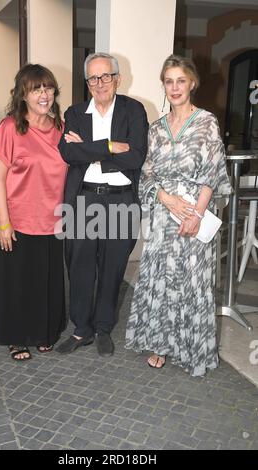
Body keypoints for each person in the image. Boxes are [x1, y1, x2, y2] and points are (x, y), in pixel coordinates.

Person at [125, 54, 232, 377]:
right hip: (162, 214)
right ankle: (160, 343)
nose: (174, 88)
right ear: (164, 85)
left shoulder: (206, 122)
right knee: (160, 277)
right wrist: (165, 198)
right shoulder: (156, 129)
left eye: (180, 81)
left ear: (192, 83)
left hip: (194, 212)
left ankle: (190, 347)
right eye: (169, 81)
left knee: (191, 281)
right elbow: (146, 174)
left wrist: (196, 214)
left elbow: (212, 173)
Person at [57, 52, 148, 357]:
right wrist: (110, 147)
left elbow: (136, 156)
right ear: (87, 83)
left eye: (106, 76)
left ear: (117, 79)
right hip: (83, 199)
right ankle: (81, 329)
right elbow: (67, 154)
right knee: (79, 267)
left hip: (120, 201)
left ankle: (104, 327)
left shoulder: (133, 110)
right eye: (93, 78)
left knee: (113, 268)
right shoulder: (74, 113)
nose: (100, 83)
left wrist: (88, 150)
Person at [0, 64, 68, 361]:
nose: (43, 94)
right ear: (23, 95)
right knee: (18, 283)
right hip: (19, 220)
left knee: (46, 282)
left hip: (53, 220)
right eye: (36, 89)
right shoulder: (10, 127)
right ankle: (16, 337)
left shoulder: (61, 128)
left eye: (47, 88)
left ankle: (44, 332)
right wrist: (3, 223)